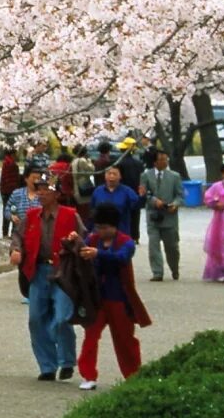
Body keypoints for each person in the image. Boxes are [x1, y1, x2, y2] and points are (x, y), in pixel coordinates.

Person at [73, 204, 152, 389]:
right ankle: (88, 375)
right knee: (90, 337)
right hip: (97, 299)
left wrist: (98, 254)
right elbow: (79, 254)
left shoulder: (126, 242)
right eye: (98, 227)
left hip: (119, 298)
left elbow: (121, 258)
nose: (100, 231)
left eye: (104, 227)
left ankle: (133, 375)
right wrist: (75, 242)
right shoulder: (91, 239)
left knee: (124, 339)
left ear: (113, 226)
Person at [15, 168, 81, 382]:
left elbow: (85, 239)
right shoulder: (32, 216)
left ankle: (67, 360)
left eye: (46, 190)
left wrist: (76, 240)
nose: (41, 194)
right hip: (38, 271)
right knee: (36, 319)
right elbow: (18, 236)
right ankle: (47, 366)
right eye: (39, 189)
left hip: (63, 273)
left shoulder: (71, 215)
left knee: (62, 318)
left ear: (57, 194)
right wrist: (16, 250)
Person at [139, 149, 185, 280]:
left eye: (166, 159)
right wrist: (154, 200)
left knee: (172, 246)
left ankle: (174, 268)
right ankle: (157, 272)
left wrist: (175, 204)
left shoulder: (174, 176)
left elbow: (180, 195)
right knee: (153, 245)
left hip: (169, 216)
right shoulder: (146, 175)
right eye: (161, 159)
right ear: (155, 162)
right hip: (153, 215)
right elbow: (143, 192)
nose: (164, 162)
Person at [88, 164, 142, 246]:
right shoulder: (98, 191)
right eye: (109, 173)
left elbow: (137, 206)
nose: (111, 176)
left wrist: (142, 196)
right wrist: (90, 231)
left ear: (120, 176)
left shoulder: (127, 191)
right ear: (105, 175)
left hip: (121, 234)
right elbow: (92, 212)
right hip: (100, 235)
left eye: (115, 174)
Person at [0, 149, 21, 233]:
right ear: (13, 154)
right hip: (10, 191)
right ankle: (11, 231)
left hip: (5, 190)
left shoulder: (6, 162)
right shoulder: (11, 164)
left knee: (6, 210)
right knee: (13, 210)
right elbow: (15, 179)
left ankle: (5, 231)